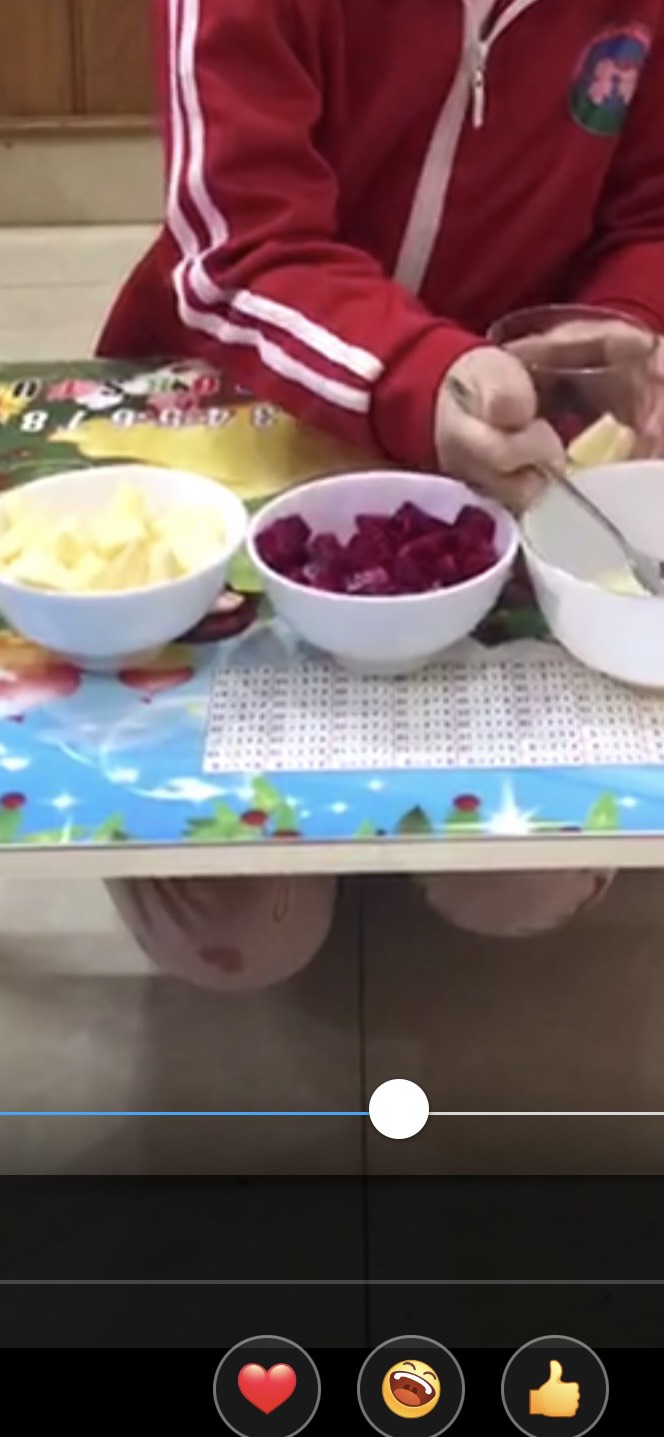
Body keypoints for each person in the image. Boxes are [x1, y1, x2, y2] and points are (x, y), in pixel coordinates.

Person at [99, 0, 664, 991]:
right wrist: (416, 375)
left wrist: (620, 325)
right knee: (241, 931)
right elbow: (243, 248)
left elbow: (651, 215)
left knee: (524, 876)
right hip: (250, 403)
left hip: (514, 437)